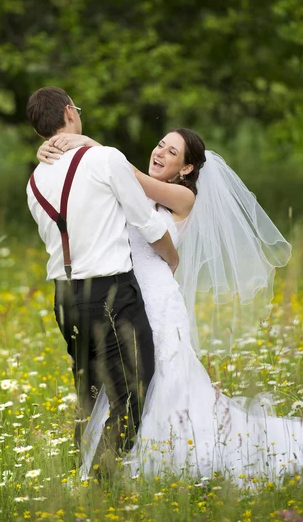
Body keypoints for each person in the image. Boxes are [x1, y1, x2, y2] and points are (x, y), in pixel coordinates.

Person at [37, 128, 303, 484]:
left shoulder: (181, 198)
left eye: (170, 152)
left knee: (162, 379)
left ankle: (164, 458)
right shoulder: (128, 191)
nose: (159, 152)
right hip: (121, 298)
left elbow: (129, 173)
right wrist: (58, 154)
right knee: (122, 379)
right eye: (159, 144)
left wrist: (89, 145)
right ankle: (114, 461)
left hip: (156, 301)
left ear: (186, 168)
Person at [26, 86, 179, 465]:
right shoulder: (104, 159)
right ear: (68, 112)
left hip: (64, 298)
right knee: (135, 391)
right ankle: (101, 484)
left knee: (89, 396)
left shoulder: (34, 182)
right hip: (111, 294)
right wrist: (171, 263)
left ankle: (77, 474)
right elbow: (147, 223)